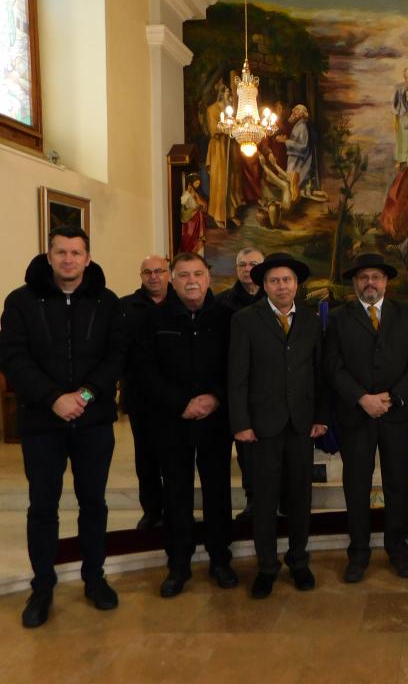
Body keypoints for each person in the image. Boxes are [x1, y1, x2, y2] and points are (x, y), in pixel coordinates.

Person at [0, 225, 124, 628]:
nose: (69, 259)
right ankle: (42, 587)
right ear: (49, 255)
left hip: (93, 420)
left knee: (93, 503)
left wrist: (84, 395)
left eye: (76, 252)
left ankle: (94, 578)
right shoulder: (21, 301)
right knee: (42, 508)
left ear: (88, 258)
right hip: (42, 421)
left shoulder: (107, 301)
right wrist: (53, 398)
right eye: (61, 252)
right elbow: (12, 356)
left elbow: (117, 356)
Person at [324, 253, 408, 583]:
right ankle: (358, 552)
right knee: (357, 486)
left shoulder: (405, 314)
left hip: (396, 415)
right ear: (355, 283)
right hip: (355, 416)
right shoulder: (339, 318)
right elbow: (332, 366)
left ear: (386, 282)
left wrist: (393, 397)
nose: (370, 282)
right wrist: (362, 398)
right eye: (363, 277)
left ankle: (398, 549)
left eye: (376, 277)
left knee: (397, 483)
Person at [228, 253, 328, 598]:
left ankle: (299, 561)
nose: (281, 286)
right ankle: (267, 566)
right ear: (264, 285)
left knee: (300, 498)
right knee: (264, 499)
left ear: (296, 285)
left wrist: (320, 416)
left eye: (287, 280)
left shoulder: (311, 321)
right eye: (274, 281)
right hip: (261, 426)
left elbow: (319, 372)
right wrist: (241, 423)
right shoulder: (245, 320)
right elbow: (237, 376)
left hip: (301, 424)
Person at [138, 252, 237, 598]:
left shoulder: (228, 317)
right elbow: (145, 371)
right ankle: (178, 565)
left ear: (208, 278)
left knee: (217, 492)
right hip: (172, 420)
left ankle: (220, 559)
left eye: (197, 273)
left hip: (215, 419)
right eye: (182, 275)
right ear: (171, 279)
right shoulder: (152, 319)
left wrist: (215, 398)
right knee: (176, 494)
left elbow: (236, 366)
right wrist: (181, 403)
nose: (191, 281)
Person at [120, 255, 171, 530]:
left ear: (168, 274)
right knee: (146, 458)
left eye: (159, 271)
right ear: (141, 276)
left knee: (175, 460)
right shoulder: (125, 307)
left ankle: (176, 510)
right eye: (147, 272)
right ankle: (151, 510)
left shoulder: (180, 303)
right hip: (141, 398)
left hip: (175, 398)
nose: (154, 276)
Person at [215, 247, 265, 520]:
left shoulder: (276, 298)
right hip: (238, 388)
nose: (247, 269)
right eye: (242, 265)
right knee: (246, 452)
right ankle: (253, 499)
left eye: (253, 264)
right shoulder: (221, 303)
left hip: (270, 388)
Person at [206, 81, 232, 228]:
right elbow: (213, 129)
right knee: (219, 181)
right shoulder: (212, 109)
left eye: (229, 92)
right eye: (227, 91)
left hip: (228, 145)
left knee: (230, 180)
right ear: (221, 93)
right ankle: (217, 215)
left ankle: (229, 213)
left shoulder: (230, 108)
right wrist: (227, 129)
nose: (229, 94)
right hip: (218, 147)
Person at [278, 104, 316, 197]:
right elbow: (296, 142)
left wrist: (286, 141)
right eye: (293, 111)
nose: (293, 113)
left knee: (293, 184)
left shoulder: (302, 127)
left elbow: (302, 146)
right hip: (294, 159)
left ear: (301, 114)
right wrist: (286, 140)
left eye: (296, 111)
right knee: (291, 184)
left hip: (299, 162)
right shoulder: (298, 126)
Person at [179, 174, 207, 255]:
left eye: (199, 184)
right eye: (196, 183)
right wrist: (190, 195)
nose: (197, 185)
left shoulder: (195, 193)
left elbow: (201, 203)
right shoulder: (186, 194)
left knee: (198, 241)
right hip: (190, 222)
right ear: (190, 183)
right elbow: (183, 203)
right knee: (189, 238)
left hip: (197, 221)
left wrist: (202, 205)